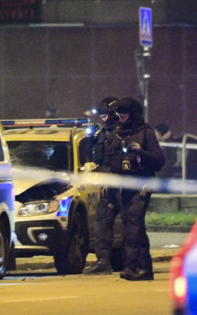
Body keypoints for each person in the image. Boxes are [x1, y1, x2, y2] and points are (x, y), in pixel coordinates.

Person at [108, 97, 165, 281]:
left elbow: (159, 160)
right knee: (129, 223)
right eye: (119, 114)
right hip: (124, 186)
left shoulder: (145, 133)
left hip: (141, 184)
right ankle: (133, 266)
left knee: (134, 222)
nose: (121, 117)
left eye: (124, 114)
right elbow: (110, 160)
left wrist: (141, 152)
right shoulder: (117, 134)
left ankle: (142, 267)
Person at [83, 96, 120, 275]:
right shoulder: (103, 133)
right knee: (102, 223)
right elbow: (97, 157)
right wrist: (90, 139)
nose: (103, 118)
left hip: (123, 186)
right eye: (101, 115)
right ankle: (103, 261)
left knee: (131, 224)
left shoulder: (124, 132)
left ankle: (136, 263)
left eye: (106, 114)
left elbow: (124, 160)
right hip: (108, 186)